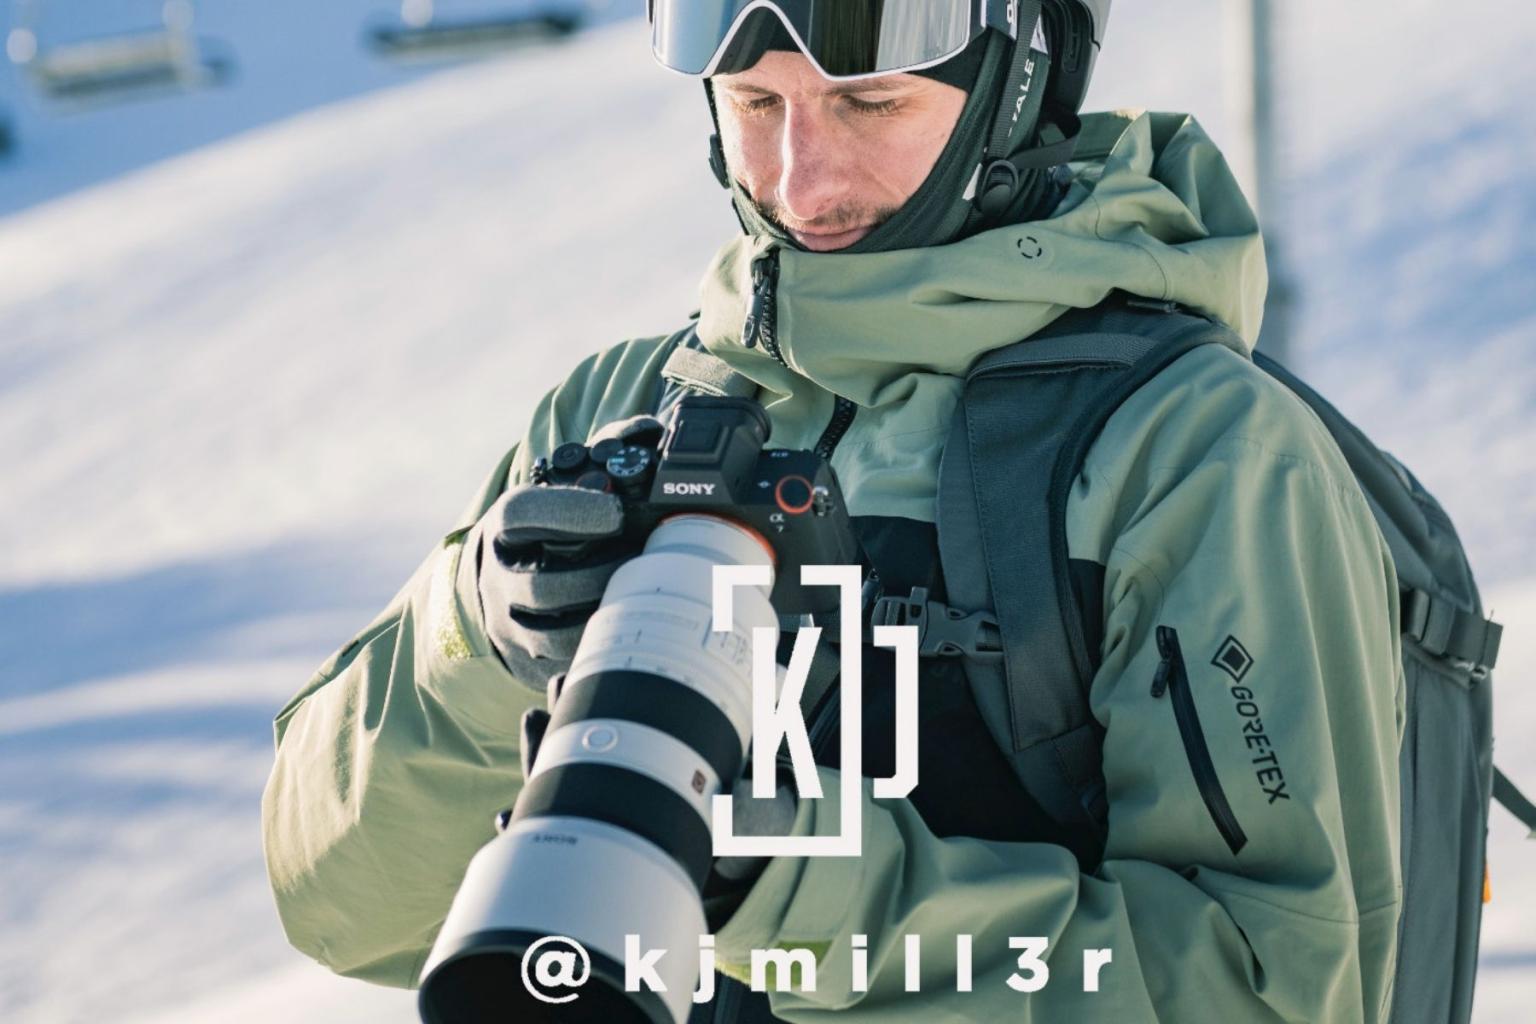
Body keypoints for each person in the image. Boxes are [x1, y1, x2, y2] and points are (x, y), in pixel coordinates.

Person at [262, 2, 1405, 1021]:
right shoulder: (626, 409)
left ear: (1017, 83)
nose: (800, 182)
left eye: (869, 101)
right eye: (755, 103)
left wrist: (796, 891)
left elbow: (1275, 989)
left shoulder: (1192, 453)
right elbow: (344, 906)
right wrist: (475, 630)